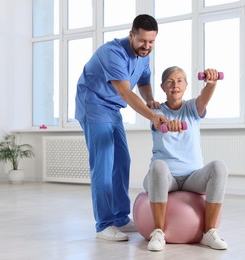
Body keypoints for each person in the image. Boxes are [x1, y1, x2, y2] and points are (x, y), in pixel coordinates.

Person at [75, 14, 167, 242]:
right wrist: (153, 116)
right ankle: (104, 224)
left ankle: (120, 217)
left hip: (113, 110)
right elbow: (125, 92)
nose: (146, 46)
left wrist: (151, 100)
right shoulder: (112, 53)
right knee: (103, 164)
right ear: (131, 35)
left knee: (122, 161)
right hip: (93, 105)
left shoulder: (143, 55)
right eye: (142, 41)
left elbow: (144, 81)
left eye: (151, 42)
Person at [143, 66, 229, 251]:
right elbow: (158, 123)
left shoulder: (192, 107)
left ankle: (209, 232)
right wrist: (168, 123)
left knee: (219, 167)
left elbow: (204, 98)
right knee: (158, 166)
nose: (175, 85)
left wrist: (211, 83)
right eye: (170, 82)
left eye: (180, 80)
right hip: (166, 179)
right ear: (162, 87)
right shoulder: (155, 111)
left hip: (193, 177)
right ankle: (158, 232)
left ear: (186, 85)